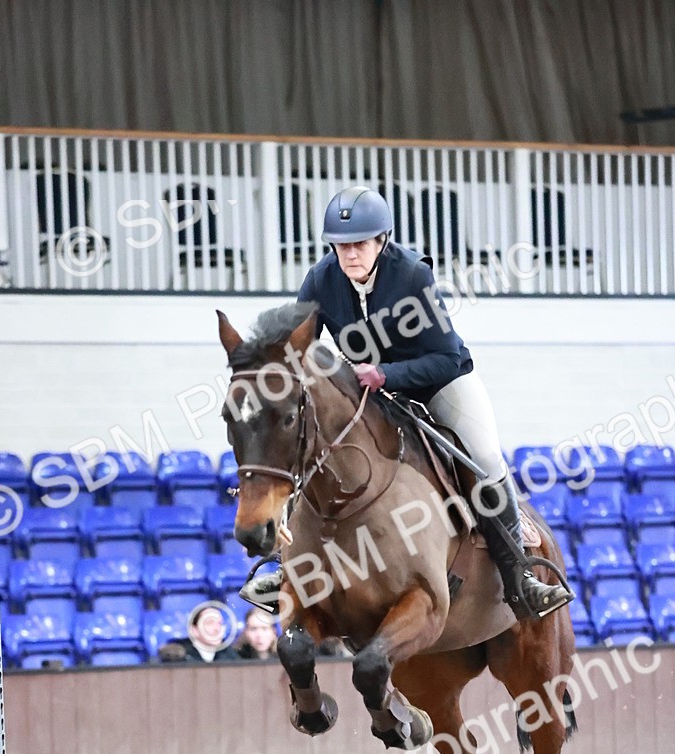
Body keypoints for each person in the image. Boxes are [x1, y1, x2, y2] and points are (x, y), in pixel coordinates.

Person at [241, 185, 571, 621]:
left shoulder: (412, 275)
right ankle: (286, 569)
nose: (349, 255)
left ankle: (519, 577)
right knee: (308, 445)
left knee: (485, 458)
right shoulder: (322, 279)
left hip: (438, 382)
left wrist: (387, 374)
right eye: (340, 246)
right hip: (369, 395)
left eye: (359, 244)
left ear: (382, 241)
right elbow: (299, 343)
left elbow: (446, 356)